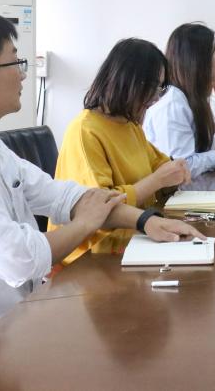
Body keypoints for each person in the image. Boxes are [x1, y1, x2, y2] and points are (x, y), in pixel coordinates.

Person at [0, 10, 202, 352]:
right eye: (16, 62)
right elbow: (20, 259)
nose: (23, 74)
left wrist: (146, 221)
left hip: (26, 320)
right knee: (136, 349)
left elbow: (68, 198)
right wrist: (85, 223)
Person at [52, 38, 193, 262]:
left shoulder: (130, 126)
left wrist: (175, 173)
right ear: (127, 81)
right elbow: (99, 209)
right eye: (153, 88)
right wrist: (158, 180)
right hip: (90, 255)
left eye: (160, 88)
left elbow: (160, 165)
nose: (156, 98)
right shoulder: (85, 130)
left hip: (133, 238)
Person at [144, 23, 215, 177]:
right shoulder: (173, 104)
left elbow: (191, 156)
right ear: (198, 59)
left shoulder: (193, 99)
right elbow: (180, 166)